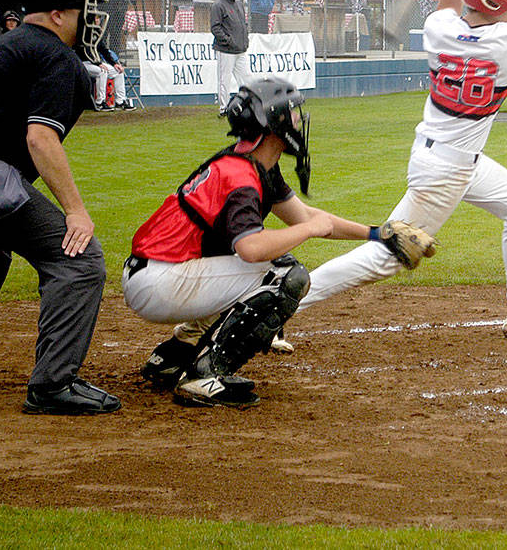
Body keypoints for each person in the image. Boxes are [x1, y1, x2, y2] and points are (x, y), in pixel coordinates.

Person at [298, 0, 507, 340]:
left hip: (449, 156)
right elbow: (466, 2)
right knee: (387, 255)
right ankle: (278, 302)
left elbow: (453, 9)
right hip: (446, 169)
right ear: (490, 1)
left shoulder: (436, 30)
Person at [124, 77, 434, 408]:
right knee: (284, 275)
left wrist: (377, 233)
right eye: (291, 112)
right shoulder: (241, 177)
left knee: (267, 269)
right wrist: (311, 230)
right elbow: (253, 247)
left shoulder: (252, 164)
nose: (298, 119)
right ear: (272, 123)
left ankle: (173, 356)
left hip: (157, 274)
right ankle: (204, 374)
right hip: (160, 282)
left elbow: (306, 216)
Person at [0, 0, 121, 415]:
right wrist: (76, 211)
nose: (89, 22)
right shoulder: (55, 56)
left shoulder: (6, 44)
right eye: (80, 13)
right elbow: (40, 139)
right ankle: (52, 385)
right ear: (55, 15)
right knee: (80, 261)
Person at [210, 0, 250, 115]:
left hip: (240, 49)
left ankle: (248, 104)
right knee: (224, 80)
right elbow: (215, 28)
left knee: (245, 79)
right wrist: (227, 41)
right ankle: (224, 108)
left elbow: (243, 24)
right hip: (225, 50)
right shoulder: (218, 5)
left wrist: (245, 40)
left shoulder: (239, 4)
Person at [82, 40, 133, 110]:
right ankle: (99, 103)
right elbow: (85, 52)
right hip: (83, 63)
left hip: (96, 62)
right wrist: (98, 63)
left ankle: (120, 101)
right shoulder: (84, 36)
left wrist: (114, 64)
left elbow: (104, 51)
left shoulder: (97, 37)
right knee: (102, 71)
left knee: (118, 71)